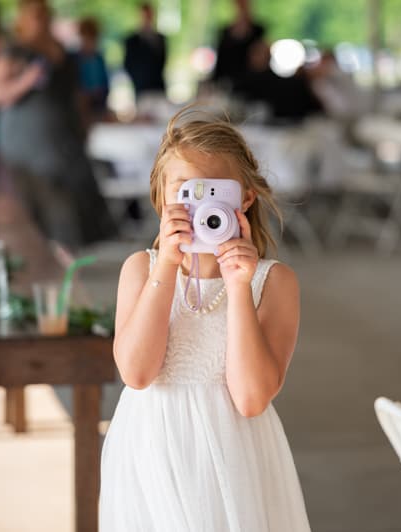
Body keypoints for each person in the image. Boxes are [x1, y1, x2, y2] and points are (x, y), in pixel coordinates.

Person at [99, 108, 311, 531]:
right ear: (161, 197)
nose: (200, 208)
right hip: (151, 454)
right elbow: (138, 373)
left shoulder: (275, 282)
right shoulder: (140, 270)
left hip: (237, 459)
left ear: (245, 198)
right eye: (184, 193)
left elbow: (251, 399)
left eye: (214, 193)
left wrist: (237, 286)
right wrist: (167, 267)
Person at [0, 0, 117, 249]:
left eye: (45, 15)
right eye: (36, 15)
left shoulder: (63, 52)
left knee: (69, 205)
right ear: (23, 20)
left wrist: (85, 124)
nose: (42, 20)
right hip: (26, 142)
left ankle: (66, 257)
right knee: (35, 205)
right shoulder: (14, 52)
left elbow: (77, 94)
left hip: (63, 138)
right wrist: (26, 80)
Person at [211, 0, 265, 89]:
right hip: (225, 83)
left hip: (249, 85)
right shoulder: (225, 32)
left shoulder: (259, 32)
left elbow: (260, 63)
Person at [123, 3, 166, 99]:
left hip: (158, 88)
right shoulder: (132, 41)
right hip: (141, 89)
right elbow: (128, 64)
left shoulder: (160, 38)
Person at [76, 16, 110, 122]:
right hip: (81, 109)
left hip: (99, 107)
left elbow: (105, 84)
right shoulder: (75, 59)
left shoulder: (98, 59)